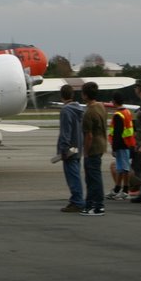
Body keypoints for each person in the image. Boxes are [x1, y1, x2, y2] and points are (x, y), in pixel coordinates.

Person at [80, 81, 108, 216]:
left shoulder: (89, 113)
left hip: (93, 148)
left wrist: (85, 151)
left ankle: (98, 205)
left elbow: (88, 135)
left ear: (85, 95)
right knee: (94, 176)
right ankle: (90, 204)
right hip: (102, 144)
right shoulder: (101, 106)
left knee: (93, 178)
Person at [56, 84, 85, 212]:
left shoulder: (66, 111)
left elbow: (65, 132)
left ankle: (77, 201)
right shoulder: (79, 109)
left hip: (70, 149)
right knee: (76, 174)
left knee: (72, 176)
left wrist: (63, 149)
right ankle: (75, 199)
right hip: (78, 146)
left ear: (61, 96)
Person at [107, 90, 136, 200]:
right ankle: (117, 188)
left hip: (122, 145)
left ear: (114, 102)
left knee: (124, 168)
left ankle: (125, 190)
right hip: (127, 143)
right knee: (120, 168)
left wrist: (114, 147)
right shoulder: (127, 112)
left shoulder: (118, 115)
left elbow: (118, 133)